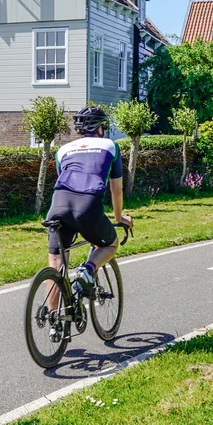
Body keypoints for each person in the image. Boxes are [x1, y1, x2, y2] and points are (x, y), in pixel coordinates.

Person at [45, 106, 132, 305]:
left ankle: (53, 320)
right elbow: (116, 190)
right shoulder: (110, 146)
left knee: (56, 263)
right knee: (110, 244)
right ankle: (88, 269)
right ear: (100, 128)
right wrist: (119, 219)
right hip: (87, 206)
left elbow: (65, 181)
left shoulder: (63, 151)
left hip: (58, 206)